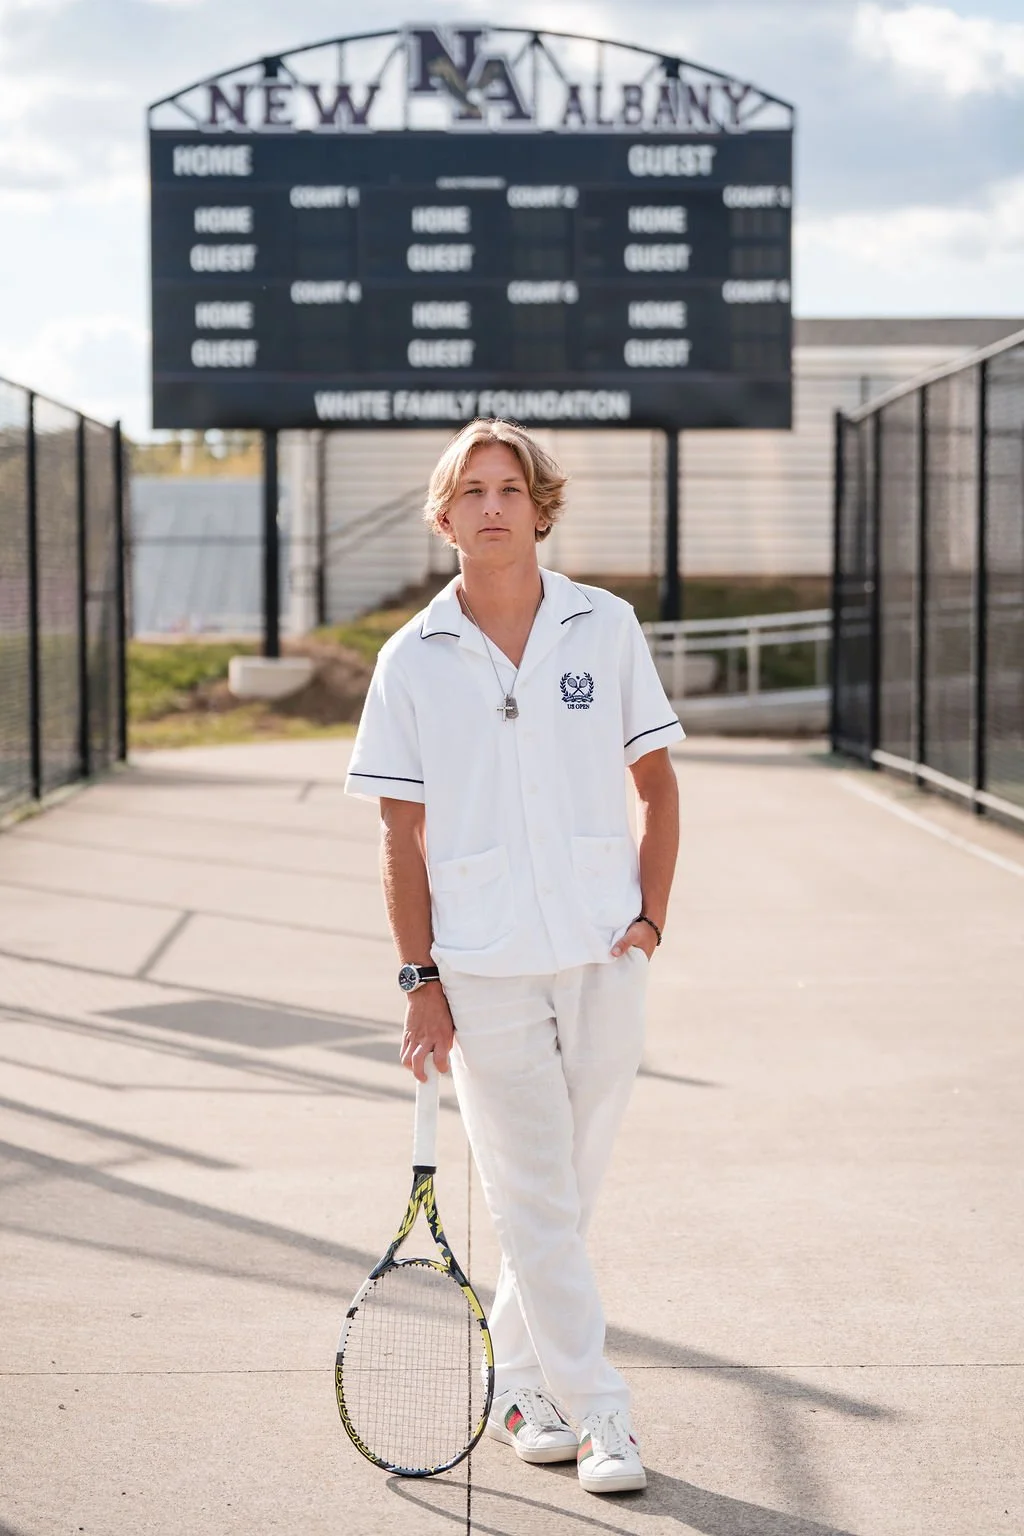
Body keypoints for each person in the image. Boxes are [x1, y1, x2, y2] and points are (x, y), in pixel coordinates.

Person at [344, 418, 682, 1495]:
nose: (492, 506)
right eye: (470, 491)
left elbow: (658, 785)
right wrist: (419, 979)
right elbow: (399, 836)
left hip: (601, 950)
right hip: (480, 968)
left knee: (563, 1194)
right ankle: (601, 1415)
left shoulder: (607, 625)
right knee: (537, 1196)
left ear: (541, 507)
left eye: (510, 488)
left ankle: (524, 1386)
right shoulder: (408, 659)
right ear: (443, 518)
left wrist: (649, 921)